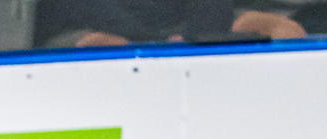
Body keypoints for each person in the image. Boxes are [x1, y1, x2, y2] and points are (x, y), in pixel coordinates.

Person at [35, 0, 304, 46]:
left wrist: (199, 35)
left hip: (195, 29)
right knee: (100, 46)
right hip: (90, 27)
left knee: (283, 31)